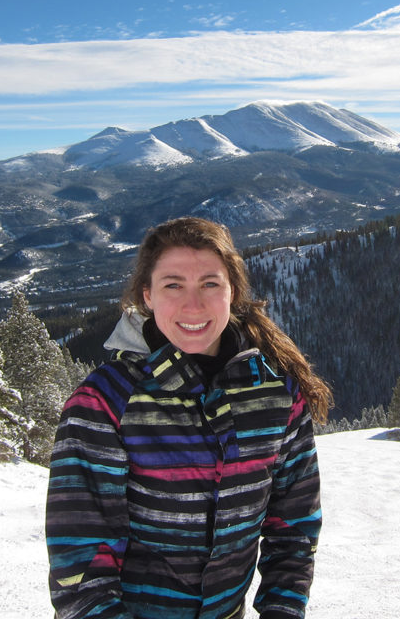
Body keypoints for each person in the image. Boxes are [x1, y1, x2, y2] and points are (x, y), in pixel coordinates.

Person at [46, 217, 332, 619]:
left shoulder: (275, 394)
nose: (193, 305)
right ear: (147, 296)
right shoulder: (106, 401)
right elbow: (80, 563)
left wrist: (282, 610)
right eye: (173, 285)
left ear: (232, 292)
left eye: (210, 284)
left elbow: (295, 529)